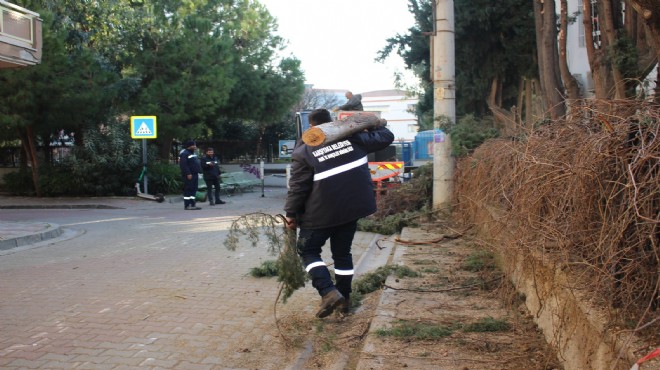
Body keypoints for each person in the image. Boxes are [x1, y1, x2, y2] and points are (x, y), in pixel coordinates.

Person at [284, 108, 394, 318]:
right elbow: (387, 137)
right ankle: (344, 299)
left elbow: (298, 186)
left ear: (311, 127)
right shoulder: (354, 139)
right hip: (350, 211)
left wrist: (291, 213)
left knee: (308, 251)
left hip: (320, 213)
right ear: (333, 122)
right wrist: (374, 124)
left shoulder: (304, 150)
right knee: (342, 254)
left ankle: (328, 292)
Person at [179, 140, 202, 210]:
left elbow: (195, 163)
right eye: (193, 145)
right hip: (189, 175)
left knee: (194, 189)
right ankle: (187, 205)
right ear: (189, 146)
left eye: (195, 145)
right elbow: (184, 165)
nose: (195, 146)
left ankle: (192, 204)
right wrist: (188, 173)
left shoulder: (193, 153)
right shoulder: (185, 153)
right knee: (188, 190)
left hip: (194, 174)